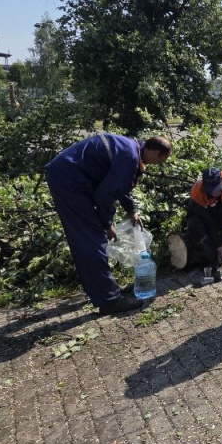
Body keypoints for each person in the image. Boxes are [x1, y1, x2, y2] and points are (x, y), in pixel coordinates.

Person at [45, 133, 172, 314]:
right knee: (93, 239)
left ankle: (102, 291)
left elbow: (120, 184)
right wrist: (107, 223)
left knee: (89, 239)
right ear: (155, 151)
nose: (159, 164)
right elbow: (105, 195)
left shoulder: (131, 148)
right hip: (69, 182)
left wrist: (131, 210)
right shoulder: (129, 157)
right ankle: (109, 300)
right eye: (161, 160)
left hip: (70, 177)